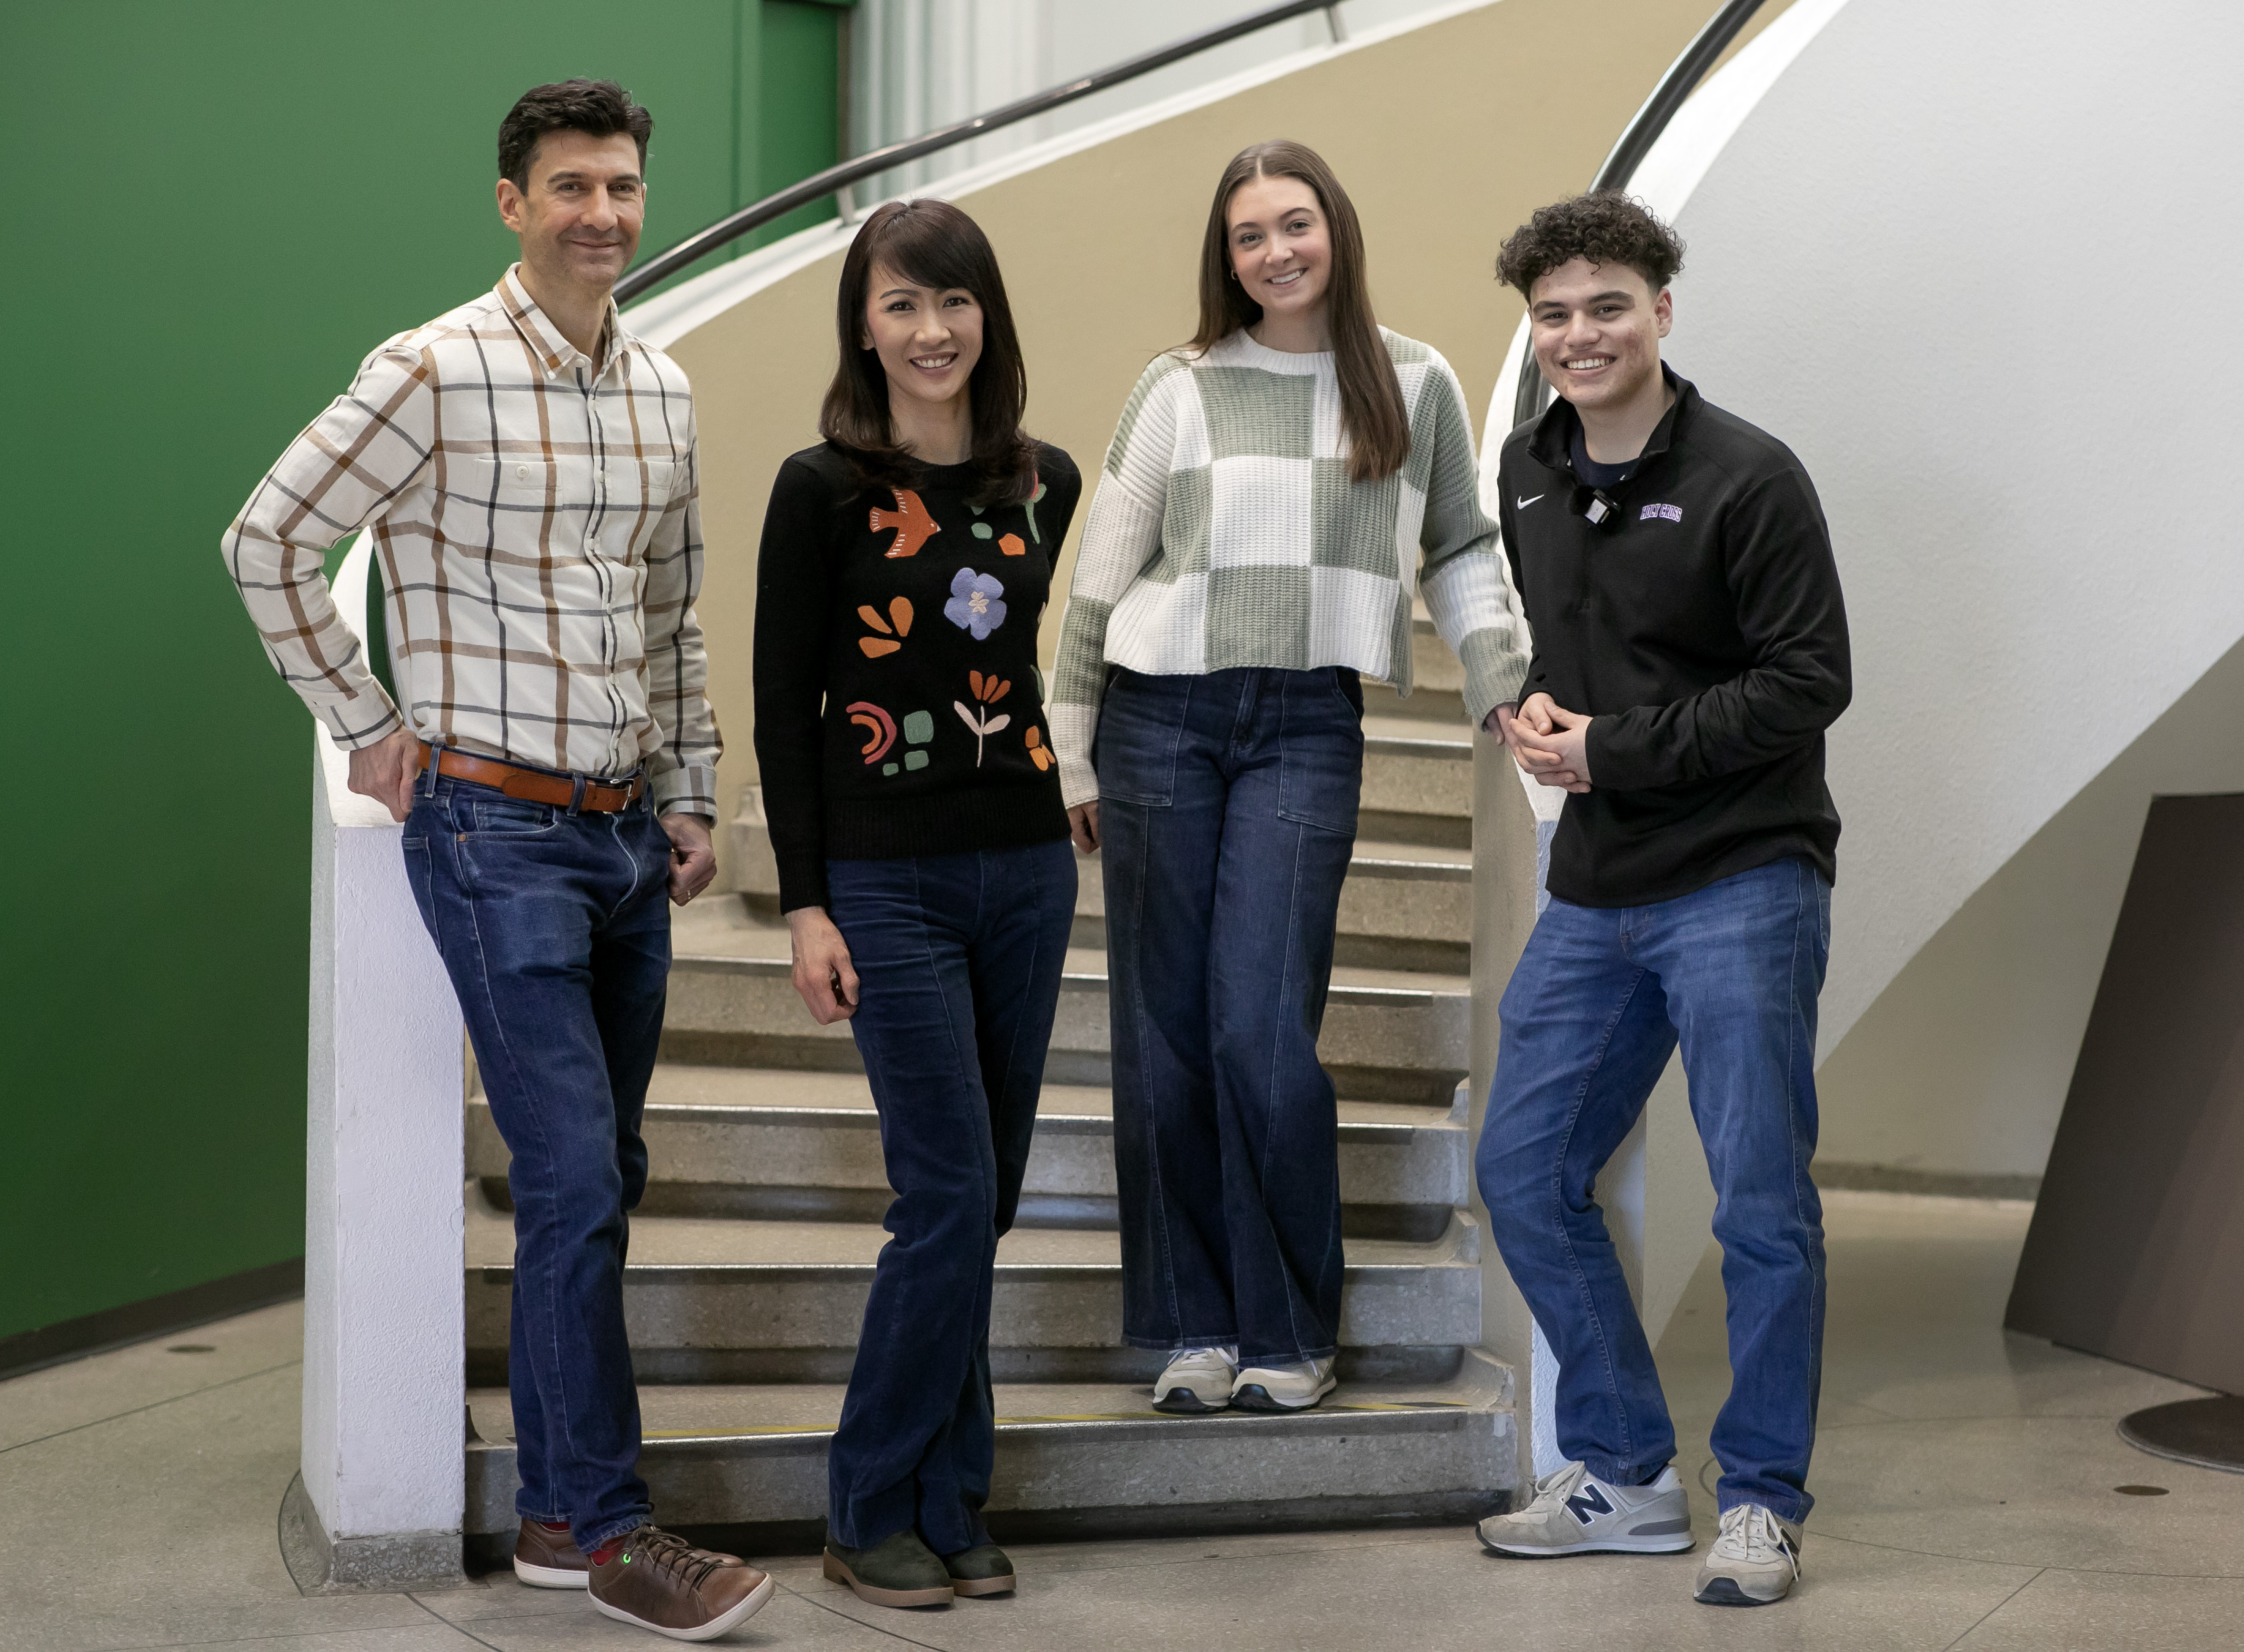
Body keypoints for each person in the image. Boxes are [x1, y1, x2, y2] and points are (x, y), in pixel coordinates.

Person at [222, 80, 770, 1643]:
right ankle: (604, 1526)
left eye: (623, 186)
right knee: (581, 1169)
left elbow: (668, 611)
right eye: (572, 186)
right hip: (493, 824)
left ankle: (549, 1509)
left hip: (619, 830)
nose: (604, 211)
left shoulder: (660, 386)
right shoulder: (433, 369)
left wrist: (691, 787)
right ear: (512, 202)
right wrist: (364, 720)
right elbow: (265, 539)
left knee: (602, 1174)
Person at [1049, 140, 1531, 1417]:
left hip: (1302, 724)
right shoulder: (1180, 383)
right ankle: (1191, 1324)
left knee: (1259, 1033)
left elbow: (1463, 548)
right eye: (1248, 234)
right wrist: (1071, 748)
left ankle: (1288, 1325)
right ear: (1227, 256)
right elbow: (1100, 575)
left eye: (1294, 224)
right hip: (1160, 717)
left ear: (1337, 231)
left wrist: (1499, 688)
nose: (1274, 252)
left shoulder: (1413, 382)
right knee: (1161, 1035)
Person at [1470, 191, 1851, 1608]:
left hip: (1746, 879)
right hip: (1598, 887)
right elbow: (1575, 651)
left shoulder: (1753, 477)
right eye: (1556, 313)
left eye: (1608, 306)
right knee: (1521, 1166)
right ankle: (1625, 1473)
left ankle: (1760, 1501)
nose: (1581, 334)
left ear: (1663, 309)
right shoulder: (1525, 475)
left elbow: (1811, 683)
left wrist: (1612, 747)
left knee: (1760, 1204)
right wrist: (1539, 713)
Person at [754, 198, 1084, 1610]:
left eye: (952, 303)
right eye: (901, 304)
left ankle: (954, 1498)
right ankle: (869, 1497)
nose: (931, 330)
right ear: (865, 324)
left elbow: (1026, 664)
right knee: (945, 1189)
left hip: (1024, 868)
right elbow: (784, 709)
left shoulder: (1046, 481)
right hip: (884, 883)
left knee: (986, 1197)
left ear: (987, 317)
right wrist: (806, 905)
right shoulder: (817, 486)